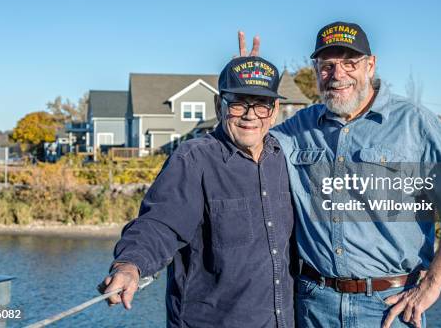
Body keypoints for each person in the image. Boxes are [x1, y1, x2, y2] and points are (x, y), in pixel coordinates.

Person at [238, 22, 441, 328]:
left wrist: (430, 286)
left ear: (370, 65)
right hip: (314, 306)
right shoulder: (297, 127)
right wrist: (246, 87)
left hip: (389, 308)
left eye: (350, 63)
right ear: (316, 70)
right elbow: (244, 141)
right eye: (327, 65)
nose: (338, 75)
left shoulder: (416, 124)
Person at [100, 55, 296, 328]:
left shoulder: (284, 158)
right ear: (219, 105)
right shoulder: (193, 159)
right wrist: (130, 265)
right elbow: (160, 225)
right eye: (239, 103)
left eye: (261, 104)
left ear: (274, 110)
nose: (251, 115)